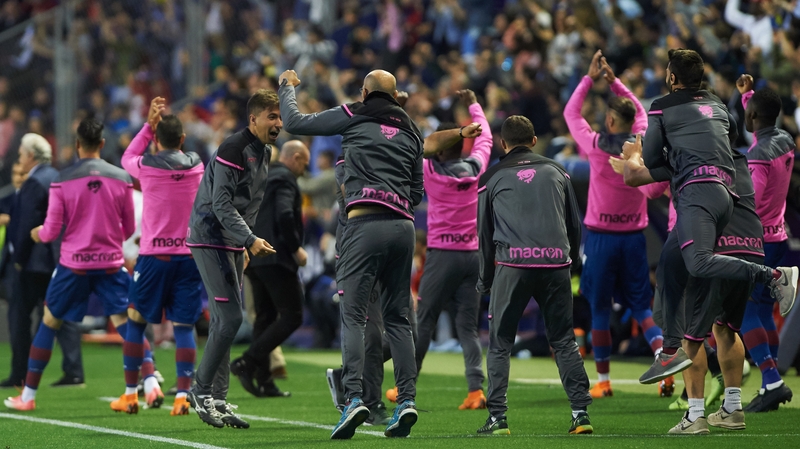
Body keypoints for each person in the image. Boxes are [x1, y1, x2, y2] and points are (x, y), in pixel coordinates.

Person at [278, 68, 423, 439]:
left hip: (364, 223)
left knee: (355, 318)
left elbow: (294, 121)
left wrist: (286, 88)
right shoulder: (411, 129)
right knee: (399, 321)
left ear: (364, 91)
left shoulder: (355, 113)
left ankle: (354, 397)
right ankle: (406, 401)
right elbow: (417, 191)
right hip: (404, 228)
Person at [639, 49, 798, 384]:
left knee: (697, 262)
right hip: (725, 191)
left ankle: (775, 276)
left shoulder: (662, 106)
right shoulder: (717, 105)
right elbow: (734, 135)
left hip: (699, 191)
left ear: (671, 77)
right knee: (669, 262)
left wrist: (660, 158)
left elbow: (652, 157)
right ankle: (670, 352)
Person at [4, 118, 136, 411]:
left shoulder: (62, 180)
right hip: (110, 262)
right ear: (102, 144)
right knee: (126, 323)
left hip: (73, 263)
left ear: (76, 145)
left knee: (50, 321)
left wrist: (38, 233)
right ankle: (143, 386)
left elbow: (51, 230)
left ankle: (27, 396)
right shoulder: (121, 177)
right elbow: (128, 228)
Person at [476, 115, 592, 435]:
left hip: (512, 266)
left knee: (500, 343)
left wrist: (485, 279)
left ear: (503, 144)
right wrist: (573, 263)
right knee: (564, 340)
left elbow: (484, 234)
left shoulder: (490, 177)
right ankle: (580, 413)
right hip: (556, 263)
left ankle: (498, 418)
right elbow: (574, 224)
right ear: (534, 140)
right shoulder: (558, 170)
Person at [564, 50, 667, 399]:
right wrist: (616, 82)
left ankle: (603, 381)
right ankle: (664, 362)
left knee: (599, 308)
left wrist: (590, 79)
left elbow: (570, 113)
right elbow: (639, 109)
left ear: (609, 122)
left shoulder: (594, 146)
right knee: (641, 305)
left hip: (601, 239)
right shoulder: (638, 142)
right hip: (634, 237)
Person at [186, 89, 280, 429]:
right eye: (272, 117)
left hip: (231, 243)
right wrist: (250, 240)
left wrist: (244, 244)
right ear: (253, 118)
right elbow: (222, 204)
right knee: (229, 318)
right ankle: (199, 390)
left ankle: (219, 399)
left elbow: (251, 203)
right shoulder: (232, 148)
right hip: (210, 236)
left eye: (280, 117)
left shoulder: (265, 151)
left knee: (224, 324)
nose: (279, 123)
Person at [114, 97, 205, 417]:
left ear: (156, 141)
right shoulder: (197, 165)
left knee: (136, 323)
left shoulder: (146, 167)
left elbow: (128, 155)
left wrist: (146, 127)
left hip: (153, 257)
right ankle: (182, 396)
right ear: (182, 139)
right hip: (188, 257)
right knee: (184, 327)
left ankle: (129, 394)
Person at [412, 88, 492, 410]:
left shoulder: (431, 172)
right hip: (473, 256)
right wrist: (473, 104)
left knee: (425, 320)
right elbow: (485, 137)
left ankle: (405, 387)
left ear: (439, 152)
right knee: (468, 327)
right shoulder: (475, 169)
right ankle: (475, 391)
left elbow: (422, 147)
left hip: (442, 255)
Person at [1, 134, 84, 390]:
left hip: (34, 263)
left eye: (21, 155)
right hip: (59, 258)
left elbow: (25, 226)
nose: (20, 160)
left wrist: (19, 260)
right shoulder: (56, 176)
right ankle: (74, 371)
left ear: (30, 155)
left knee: (19, 318)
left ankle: (20, 374)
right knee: (61, 314)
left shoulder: (35, 181)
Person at [230, 140, 310, 398]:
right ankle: (248, 361)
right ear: (295, 158)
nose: (303, 170)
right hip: (275, 257)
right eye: (304, 164)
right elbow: (285, 214)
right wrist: (296, 247)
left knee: (263, 318)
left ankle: (264, 380)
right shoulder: (286, 179)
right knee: (292, 315)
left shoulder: (262, 177)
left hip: (253, 255)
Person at [736, 75, 795, 413]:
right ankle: (768, 381)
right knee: (762, 310)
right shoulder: (786, 140)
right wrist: (749, 96)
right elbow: (761, 120)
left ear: (754, 118)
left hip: (756, 240)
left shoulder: (757, 154)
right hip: (779, 234)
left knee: (746, 313)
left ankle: (772, 382)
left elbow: (753, 200)